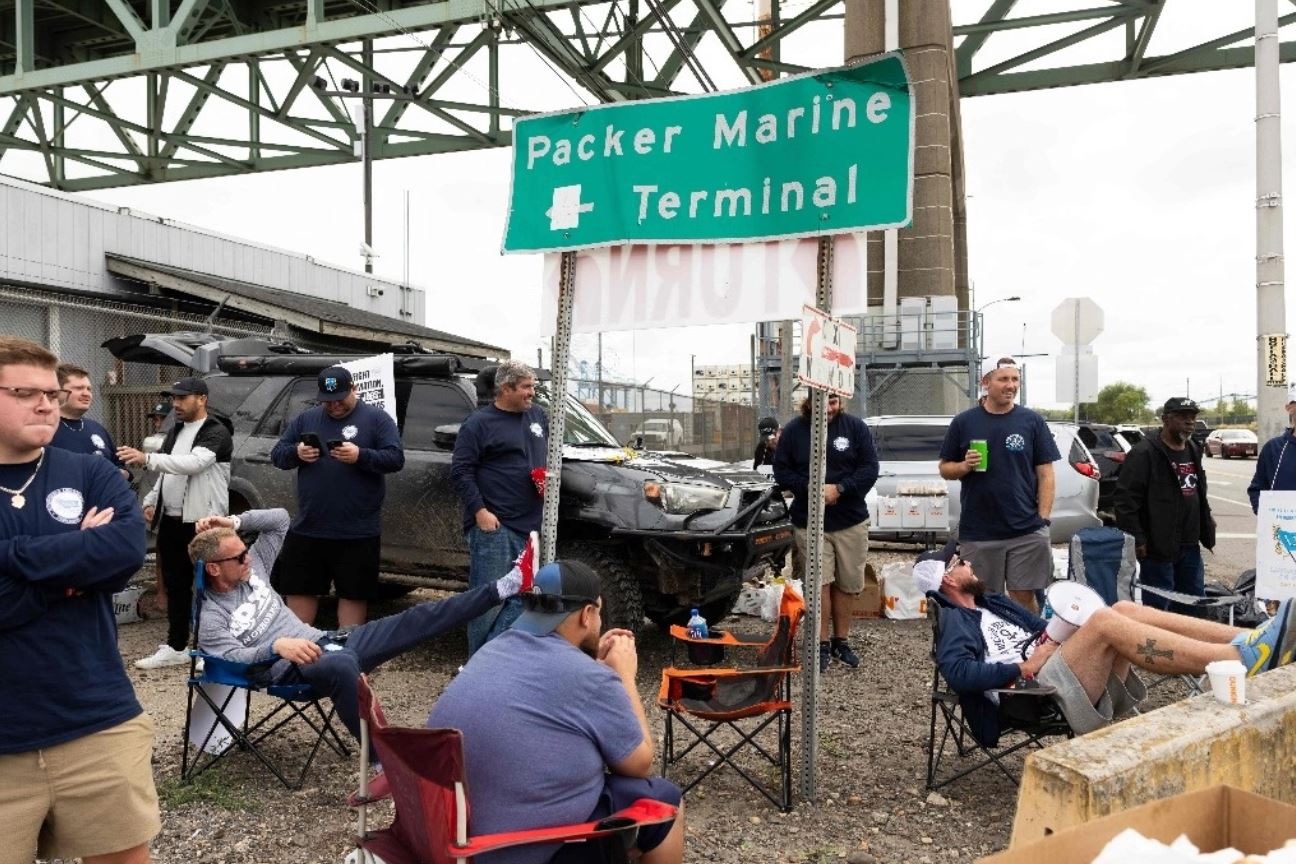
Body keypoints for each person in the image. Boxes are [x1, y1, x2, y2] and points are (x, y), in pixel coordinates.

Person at [0, 337, 157, 864]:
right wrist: (74, 568)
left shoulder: (89, 472)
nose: (47, 403)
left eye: (51, 392)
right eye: (25, 392)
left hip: (96, 718)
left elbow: (125, 548)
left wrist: (14, 560)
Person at [189, 507, 527, 747]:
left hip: (329, 641)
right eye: (238, 557)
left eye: (246, 551)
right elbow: (231, 658)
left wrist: (233, 520)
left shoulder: (255, 568)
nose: (248, 558)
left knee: (415, 619)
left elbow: (280, 520)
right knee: (340, 662)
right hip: (291, 668)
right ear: (214, 570)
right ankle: (382, 756)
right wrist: (275, 648)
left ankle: (504, 587)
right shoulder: (210, 617)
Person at [427, 559, 684, 864]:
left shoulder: (493, 648)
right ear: (587, 615)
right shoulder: (589, 678)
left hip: (452, 837)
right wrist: (623, 677)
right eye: (598, 610)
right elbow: (639, 764)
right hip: (521, 847)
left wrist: (598, 675)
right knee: (667, 801)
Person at [916, 548, 1296, 748]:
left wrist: (1059, 630)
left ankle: (1243, 641)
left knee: (1122, 609)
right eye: (960, 560)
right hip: (1029, 693)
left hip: (1052, 665)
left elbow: (1041, 628)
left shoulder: (990, 602)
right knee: (1105, 622)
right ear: (948, 578)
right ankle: (1241, 661)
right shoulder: (955, 622)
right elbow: (959, 673)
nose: (969, 562)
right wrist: (1025, 666)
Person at [269, 365, 404, 627]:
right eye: (327, 401)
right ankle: (296, 656)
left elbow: (396, 458)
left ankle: (346, 657)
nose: (334, 406)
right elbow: (278, 455)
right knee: (299, 589)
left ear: (353, 389)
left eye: (339, 399)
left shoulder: (377, 419)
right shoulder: (307, 419)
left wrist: (361, 455)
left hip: (357, 531)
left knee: (353, 594)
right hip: (309, 526)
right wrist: (297, 453)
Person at [118, 376, 232, 669]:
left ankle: (213, 649)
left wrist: (147, 459)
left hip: (203, 522)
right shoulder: (176, 430)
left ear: (202, 398)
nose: (176, 404)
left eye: (182, 398)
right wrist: (151, 499)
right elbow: (170, 471)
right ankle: (177, 645)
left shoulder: (215, 431)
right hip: (171, 521)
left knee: (212, 585)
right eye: (175, 398)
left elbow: (194, 464)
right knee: (176, 584)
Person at [938, 355, 1058, 613]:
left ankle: (1030, 649)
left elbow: (1046, 473)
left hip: (1026, 529)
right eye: (1004, 379)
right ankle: (989, 650)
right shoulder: (964, 422)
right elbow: (945, 469)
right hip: (979, 530)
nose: (1011, 385)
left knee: (1023, 595)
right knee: (984, 598)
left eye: (1015, 379)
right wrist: (964, 466)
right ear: (986, 382)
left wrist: (1044, 519)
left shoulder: (1032, 421)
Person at [773, 393, 879, 673]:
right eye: (822, 401)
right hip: (809, 522)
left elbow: (869, 469)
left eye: (833, 401)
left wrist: (840, 489)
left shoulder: (855, 428)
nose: (828, 408)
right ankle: (819, 643)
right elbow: (781, 471)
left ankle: (840, 641)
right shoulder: (795, 431)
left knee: (847, 584)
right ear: (809, 400)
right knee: (819, 583)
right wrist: (811, 488)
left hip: (851, 521)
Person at [451, 360, 548, 654]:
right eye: (526, 387)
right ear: (506, 388)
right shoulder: (479, 423)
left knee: (524, 597)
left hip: (531, 524)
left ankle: (494, 663)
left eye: (533, 386)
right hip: (496, 526)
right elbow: (461, 470)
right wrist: (480, 512)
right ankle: (476, 668)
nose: (532, 393)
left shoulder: (538, 416)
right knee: (488, 602)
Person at [1114, 397, 1216, 614]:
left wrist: (1207, 522)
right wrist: (1137, 537)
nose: (1189, 422)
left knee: (1193, 603)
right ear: (1165, 420)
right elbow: (1125, 500)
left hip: (1189, 543)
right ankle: (1160, 646)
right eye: (1182, 417)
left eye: (1193, 417)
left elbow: (1199, 492)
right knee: (1159, 607)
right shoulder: (1144, 453)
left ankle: (1189, 647)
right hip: (1157, 546)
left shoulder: (1193, 448)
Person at [48, 362, 128, 479]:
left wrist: (119, 474)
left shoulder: (96, 428)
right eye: (78, 388)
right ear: (58, 392)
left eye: (89, 389)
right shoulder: (46, 429)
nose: (86, 394)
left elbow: (120, 466)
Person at [1248, 383, 1296, 512]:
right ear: (1290, 407)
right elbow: (1257, 489)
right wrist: (1267, 517)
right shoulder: (1273, 448)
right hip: (1283, 529)